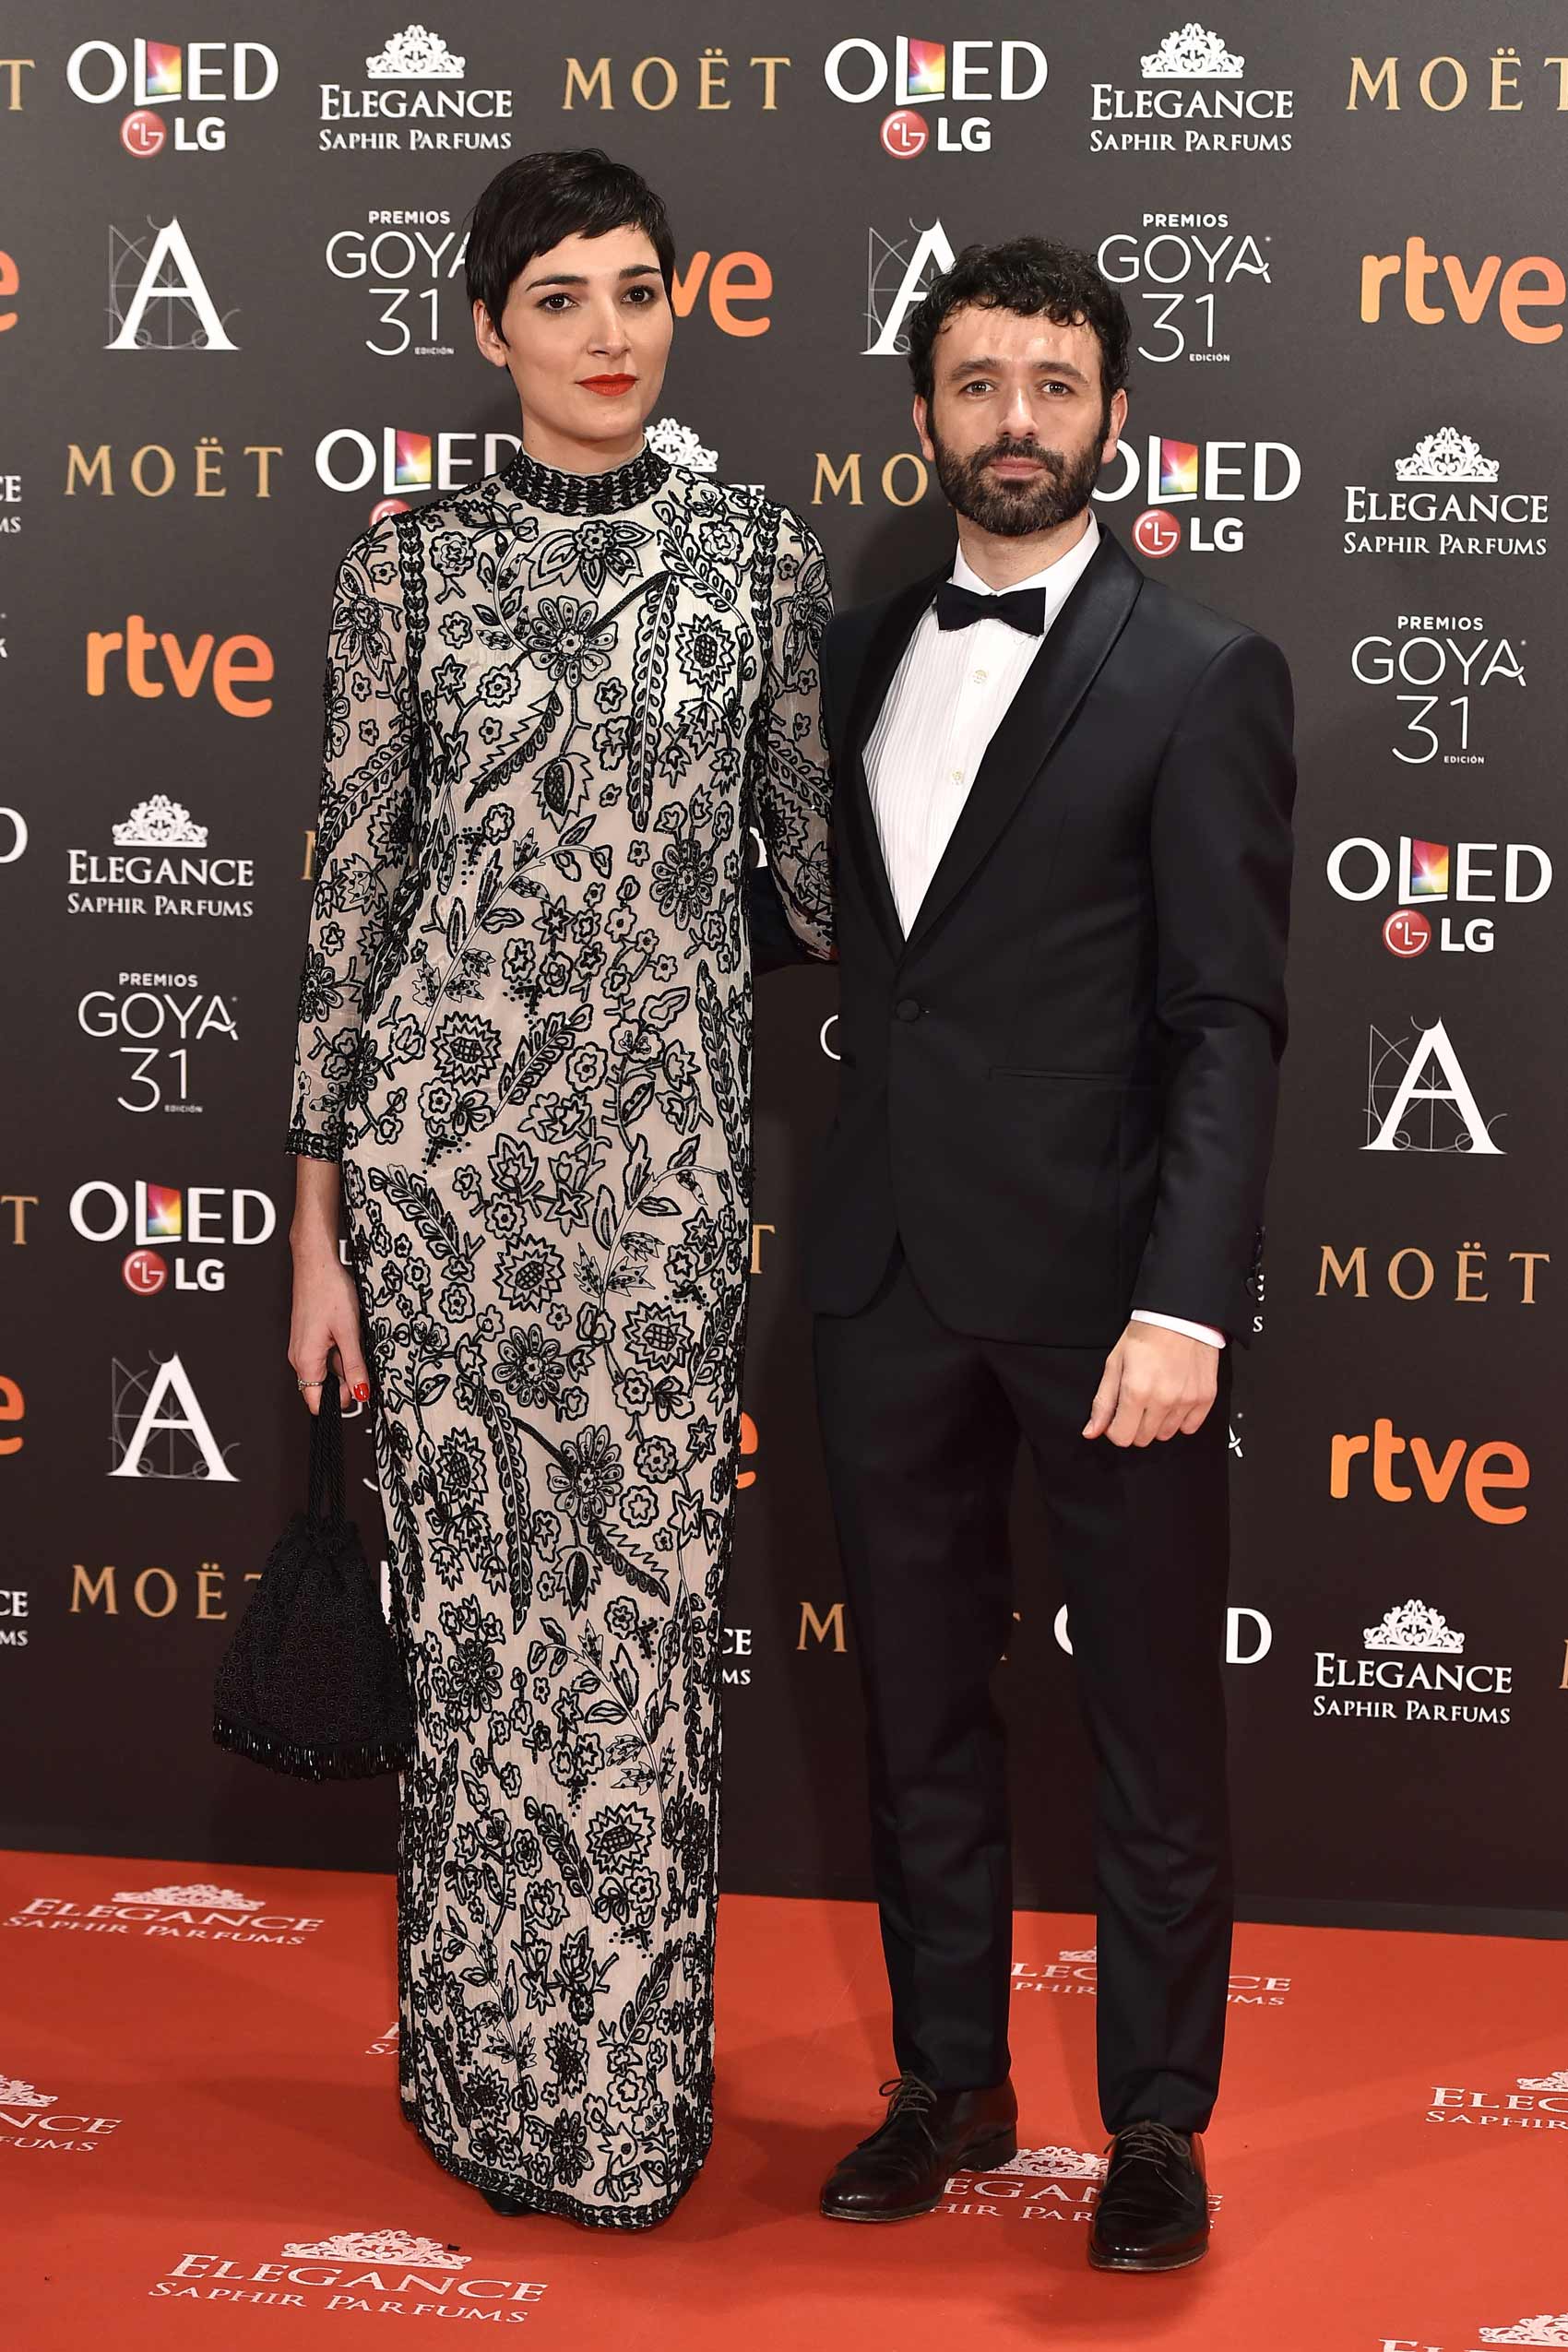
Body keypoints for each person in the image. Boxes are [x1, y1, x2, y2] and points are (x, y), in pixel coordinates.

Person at [284, 148, 833, 2228]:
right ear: (492, 330)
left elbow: (804, 882)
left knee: (636, 1643)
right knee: (482, 1656)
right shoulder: (407, 568)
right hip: (437, 1188)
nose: (612, 331)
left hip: (665, 1195)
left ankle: (620, 2114)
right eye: (564, 299)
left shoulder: (751, 559)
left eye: (639, 289)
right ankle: (475, 2081)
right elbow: (352, 909)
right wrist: (318, 1234)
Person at [805, 237, 1294, 2272]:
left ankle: (1159, 2126)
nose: (1016, 419)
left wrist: (1185, 1299)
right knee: (916, 1702)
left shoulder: (1200, 674)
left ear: (1112, 415)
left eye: (1054, 383)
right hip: (883, 1277)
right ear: (922, 414)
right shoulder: (843, 651)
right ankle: (948, 2082)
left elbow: (1225, 1020)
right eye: (979, 380)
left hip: (1110, 1300)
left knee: (1147, 1723)